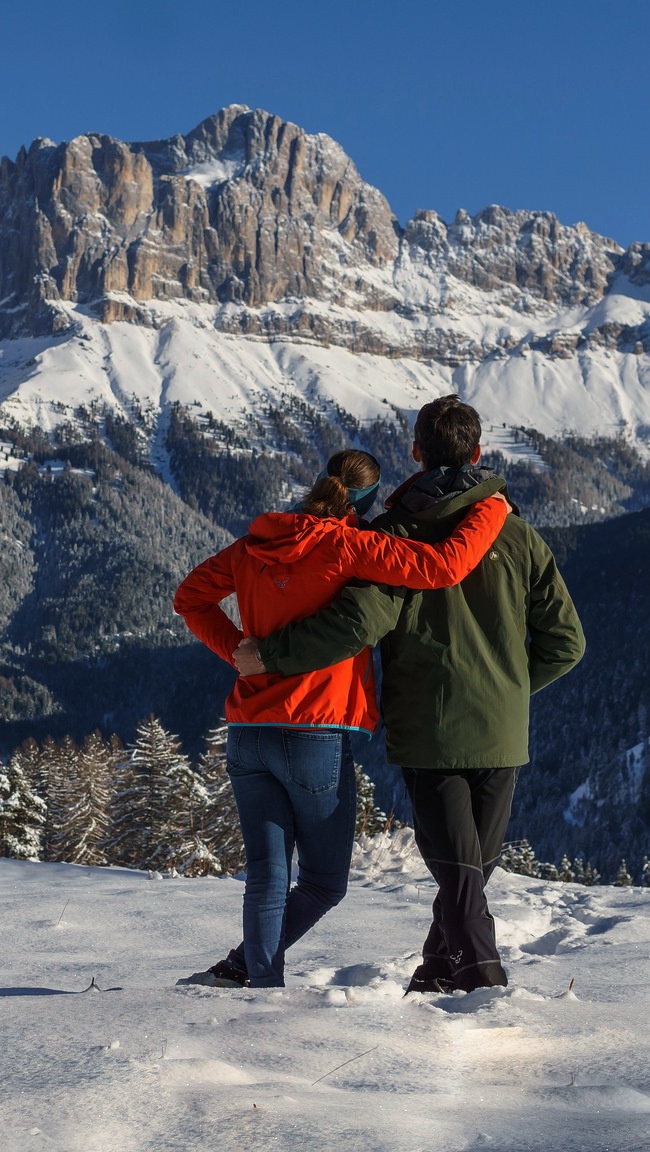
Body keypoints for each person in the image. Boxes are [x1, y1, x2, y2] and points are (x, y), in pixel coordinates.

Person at [234, 396, 584, 994]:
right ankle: (443, 971)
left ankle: (479, 979)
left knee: (462, 875)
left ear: (416, 453)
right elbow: (565, 644)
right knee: (469, 873)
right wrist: (507, 689)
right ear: (478, 453)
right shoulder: (518, 534)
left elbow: (353, 625)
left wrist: (268, 656)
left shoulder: (393, 537)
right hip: (500, 732)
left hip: (428, 730)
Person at [174, 448, 509, 988]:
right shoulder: (351, 545)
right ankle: (253, 981)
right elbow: (443, 566)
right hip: (314, 729)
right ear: (365, 501)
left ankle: (257, 986)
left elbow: (189, 597)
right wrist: (491, 507)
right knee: (325, 882)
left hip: (247, 730)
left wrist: (236, 649)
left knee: (265, 876)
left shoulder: (254, 544)